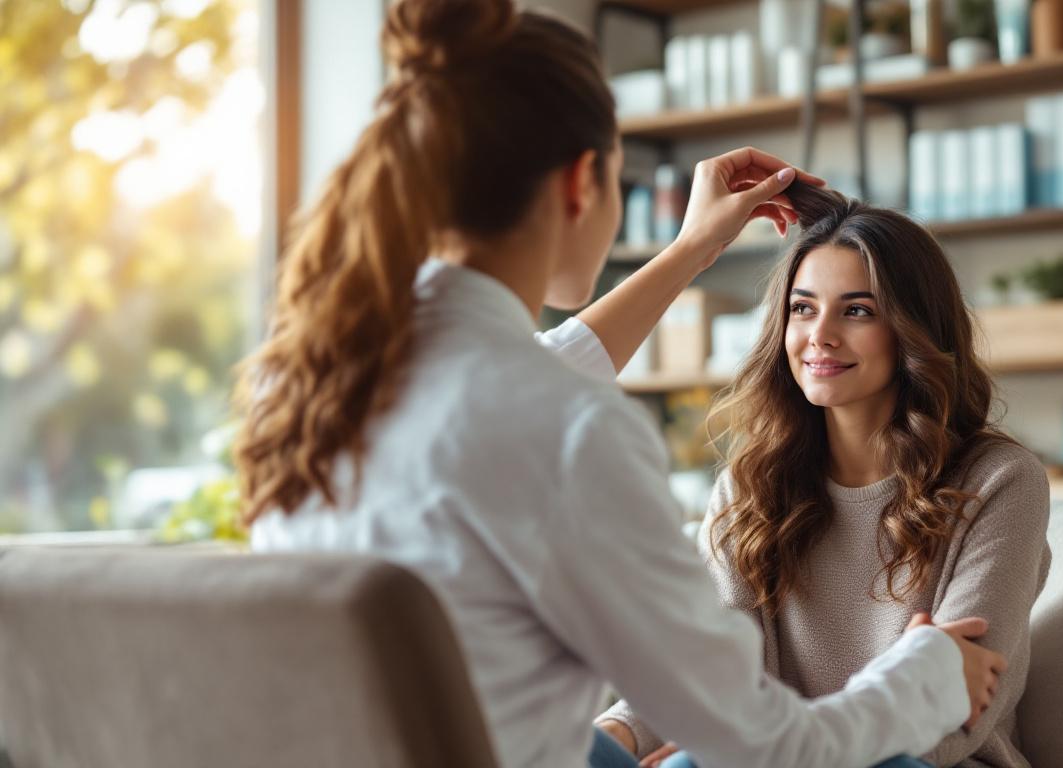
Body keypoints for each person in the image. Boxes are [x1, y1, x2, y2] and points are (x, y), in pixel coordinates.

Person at [235, 2, 1005, 767]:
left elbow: (533, 372)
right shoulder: (569, 428)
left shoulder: (314, 385)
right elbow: (768, 744)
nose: (820, 334)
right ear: (583, 181)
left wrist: (693, 246)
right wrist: (926, 674)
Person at [596, 184, 1051, 768]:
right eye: (803, 308)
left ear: (913, 330)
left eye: (857, 311)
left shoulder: (1000, 481)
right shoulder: (751, 484)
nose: (820, 336)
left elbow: (958, 707)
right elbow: (706, 666)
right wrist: (618, 734)